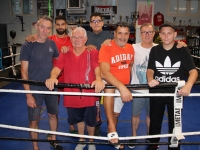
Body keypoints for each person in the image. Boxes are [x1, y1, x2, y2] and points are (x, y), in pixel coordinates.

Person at [45, 27, 105, 150]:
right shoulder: (65, 53)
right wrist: (52, 77)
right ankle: (82, 140)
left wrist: (98, 79)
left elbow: (96, 67)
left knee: (91, 120)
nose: (77, 39)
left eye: (80, 37)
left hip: (89, 94)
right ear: (70, 39)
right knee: (78, 119)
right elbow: (57, 68)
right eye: (74, 37)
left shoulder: (92, 52)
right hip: (72, 94)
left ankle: (91, 141)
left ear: (85, 39)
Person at [146, 22, 198, 150]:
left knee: (175, 124)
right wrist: (150, 79)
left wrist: (188, 85)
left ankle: (174, 148)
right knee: (155, 122)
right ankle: (153, 146)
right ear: (159, 35)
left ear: (175, 34)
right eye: (163, 33)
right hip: (158, 92)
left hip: (176, 93)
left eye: (169, 33)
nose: (166, 36)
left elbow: (193, 71)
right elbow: (150, 69)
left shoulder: (182, 50)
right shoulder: (155, 50)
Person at [26, 15, 77, 134]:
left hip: (69, 77)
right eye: (58, 24)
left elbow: (80, 52)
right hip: (53, 78)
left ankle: (72, 125)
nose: (60, 27)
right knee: (54, 108)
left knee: (71, 103)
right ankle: (52, 132)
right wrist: (31, 37)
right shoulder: (50, 39)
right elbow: (39, 39)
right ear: (54, 26)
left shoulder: (73, 39)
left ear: (66, 26)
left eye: (62, 24)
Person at [20, 16, 63, 150]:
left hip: (50, 87)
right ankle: (35, 147)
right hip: (34, 89)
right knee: (35, 119)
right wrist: (28, 95)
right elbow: (23, 72)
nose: (45, 31)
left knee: (53, 115)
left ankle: (54, 140)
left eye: (48, 28)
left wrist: (67, 51)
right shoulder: (27, 45)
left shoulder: (51, 44)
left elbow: (60, 60)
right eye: (42, 27)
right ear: (37, 27)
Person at [98, 22, 134, 150]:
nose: (123, 37)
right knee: (109, 88)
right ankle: (112, 129)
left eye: (126, 34)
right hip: (112, 86)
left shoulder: (130, 48)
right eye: (120, 33)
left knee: (116, 115)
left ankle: (111, 130)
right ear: (114, 34)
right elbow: (104, 73)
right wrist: (122, 87)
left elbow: (130, 64)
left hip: (124, 86)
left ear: (129, 35)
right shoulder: (106, 47)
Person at [87, 12, 114, 136]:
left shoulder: (110, 35)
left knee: (110, 100)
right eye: (93, 21)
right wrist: (86, 47)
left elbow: (119, 47)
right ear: (90, 24)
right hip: (92, 73)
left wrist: (111, 43)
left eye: (98, 21)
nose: (96, 23)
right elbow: (77, 48)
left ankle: (111, 125)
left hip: (107, 72)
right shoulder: (85, 36)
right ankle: (96, 124)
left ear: (103, 23)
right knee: (95, 101)